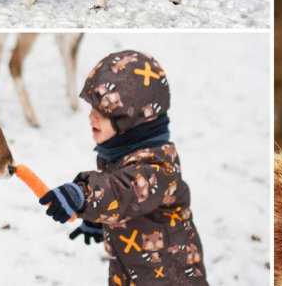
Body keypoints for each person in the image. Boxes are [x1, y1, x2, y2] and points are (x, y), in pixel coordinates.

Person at [40, 51, 208, 285]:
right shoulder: (119, 155)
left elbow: (122, 191)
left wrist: (84, 195)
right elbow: (128, 204)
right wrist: (100, 220)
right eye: (91, 108)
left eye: (102, 112)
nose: (91, 117)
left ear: (130, 120)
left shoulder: (158, 167)